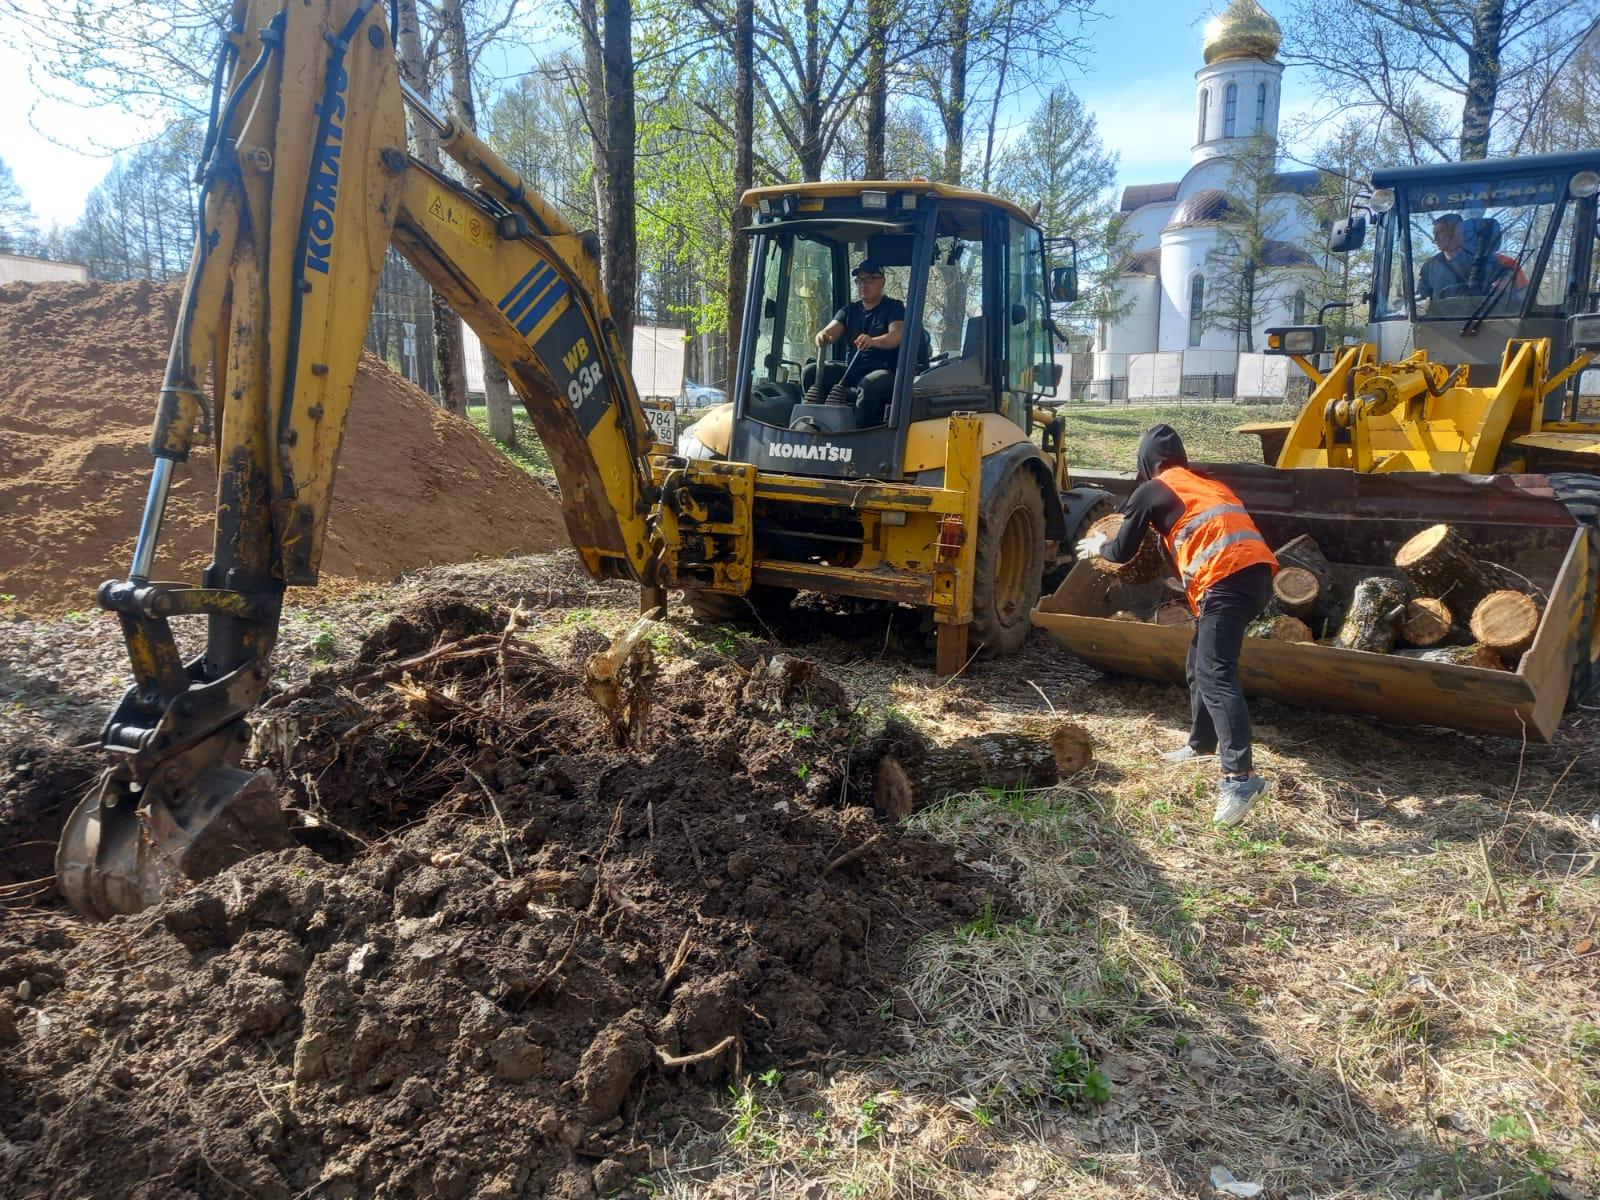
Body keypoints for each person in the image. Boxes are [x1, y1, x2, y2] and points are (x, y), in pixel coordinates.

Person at [1076, 424, 1278, 826]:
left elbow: (1122, 549)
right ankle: (1203, 744)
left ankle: (1241, 778)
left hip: (1228, 580)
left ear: (1146, 460)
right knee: (1198, 662)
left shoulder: (1152, 490)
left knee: (1216, 672)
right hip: (1256, 577)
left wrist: (1100, 544)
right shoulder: (1203, 484)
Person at [805, 260, 905, 422]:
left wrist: (872, 341)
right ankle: (815, 424)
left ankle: (859, 433)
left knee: (868, 385)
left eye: (869, 279)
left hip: (885, 371)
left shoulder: (894, 308)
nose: (863, 285)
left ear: (882, 281)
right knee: (810, 371)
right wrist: (822, 336)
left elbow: (897, 335)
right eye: (859, 281)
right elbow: (829, 332)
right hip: (852, 371)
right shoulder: (849, 311)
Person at [1417, 213, 1515, 308]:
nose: (1435, 239)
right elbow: (1418, 303)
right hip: (1439, 323)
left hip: (1487, 322)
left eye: (1439, 233)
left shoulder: (1489, 263)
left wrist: (1504, 288)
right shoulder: (1429, 267)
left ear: (1457, 232)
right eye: (1434, 234)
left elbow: (1512, 301)